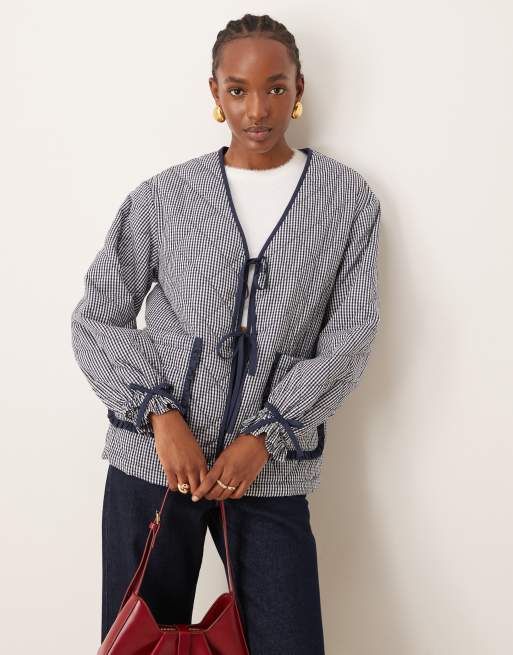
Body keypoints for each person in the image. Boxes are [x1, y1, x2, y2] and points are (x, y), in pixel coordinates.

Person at [71, 13, 381, 655]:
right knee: (137, 648)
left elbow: (350, 337)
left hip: (267, 471)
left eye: (275, 87)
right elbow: (95, 315)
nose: (257, 110)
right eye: (238, 90)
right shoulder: (166, 196)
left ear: (299, 88)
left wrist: (268, 434)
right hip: (155, 465)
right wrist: (159, 413)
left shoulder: (345, 200)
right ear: (215, 93)